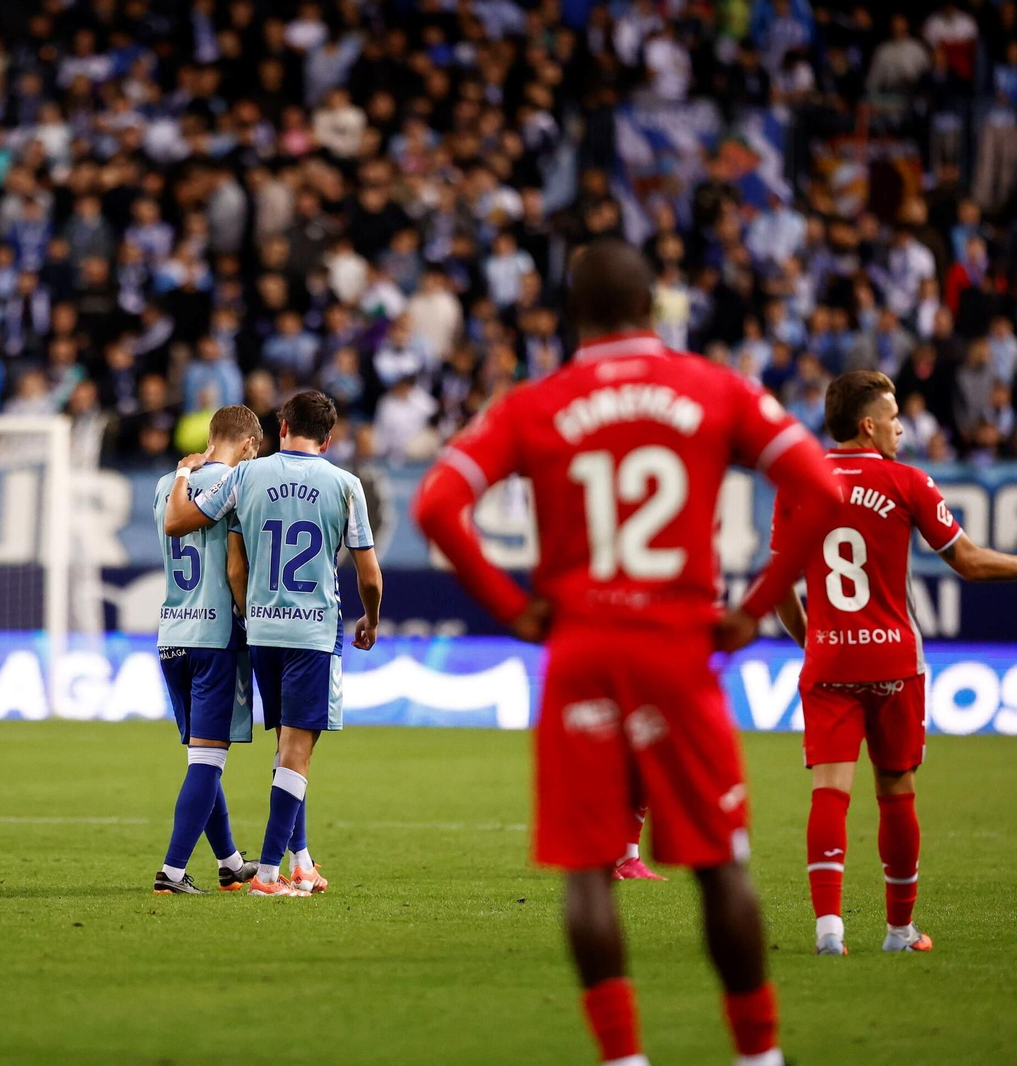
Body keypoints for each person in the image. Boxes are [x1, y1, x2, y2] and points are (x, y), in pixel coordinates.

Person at [410, 239, 844, 1066]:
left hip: (579, 649)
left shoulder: (534, 403)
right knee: (721, 867)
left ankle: (623, 1058)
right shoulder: (718, 389)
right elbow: (820, 489)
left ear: (571, 318)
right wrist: (754, 610)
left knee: (586, 872)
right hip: (679, 649)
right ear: (656, 308)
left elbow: (437, 506)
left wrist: (514, 611)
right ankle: (758, 1056)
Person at [772, 370, 1017, 956]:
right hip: (893, 663)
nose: (901, 428)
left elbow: (779, 585)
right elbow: (971, 563)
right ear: (868, 425)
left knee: (829, 792)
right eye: (894, 417)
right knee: (896, 792)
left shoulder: (796, 483)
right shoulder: (907, 482)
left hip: (828, 662)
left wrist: (812, 638)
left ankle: (829, 930)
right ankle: (899, 931)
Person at [166, 389, 383, 898]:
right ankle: (268, 874)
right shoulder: (345, 484)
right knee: (297, 752)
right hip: (311, 631)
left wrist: (246, 609)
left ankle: (301, 861)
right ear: (328, 440)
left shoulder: (246, 475)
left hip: (261, 629)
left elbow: (191, 530)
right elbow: (369, 575)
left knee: (288, 747)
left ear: (282, 426)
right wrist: (370, 618)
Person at [150, 404, 264, 894]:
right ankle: (172, 872)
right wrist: (250, 617)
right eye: (255, 450)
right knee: (208, 761)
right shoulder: (239, 485)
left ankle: (229, 861)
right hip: (217, 636)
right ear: (245, 444)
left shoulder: (166, 483)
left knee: (201, 758)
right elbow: (236, 567)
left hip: (173, 632)